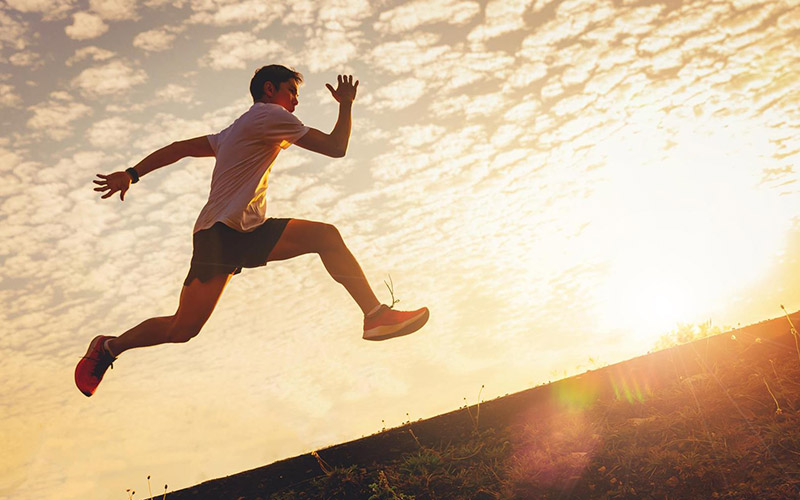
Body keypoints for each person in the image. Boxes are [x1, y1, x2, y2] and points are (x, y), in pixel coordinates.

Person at [75, 65, 429, 397]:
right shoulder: (268, 115)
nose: (295, 100)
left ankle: (375, 316)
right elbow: (337, 148)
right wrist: (347, 106)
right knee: (182, 329)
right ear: (269, 89)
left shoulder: (232, 131)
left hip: (247, 230)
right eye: (291, 91)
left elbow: (180, 149)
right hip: (220, 235)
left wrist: (133, 173)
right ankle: (108, 347)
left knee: (325, 237)